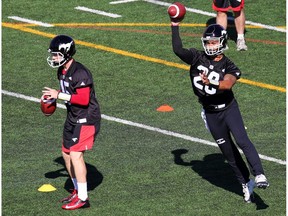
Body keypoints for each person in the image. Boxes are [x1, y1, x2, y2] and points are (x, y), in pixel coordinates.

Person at [170, 20, 269, 203]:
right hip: (210, 113)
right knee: (229, 153)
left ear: (222, 42)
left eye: (214, 42)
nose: (210, 45)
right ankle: (245, 182)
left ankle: (260, 174)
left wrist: (212, 82)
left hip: (229, 109)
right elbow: (178, 49)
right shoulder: (196, 58)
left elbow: (227, 84)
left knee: (242, 140)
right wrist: (174, 23)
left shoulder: (229, 66)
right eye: (208, 42)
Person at [42, 35, 101, 210]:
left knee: (75, 154)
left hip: (87, 118)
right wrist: (51, 98)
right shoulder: (62, 70)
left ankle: (83, 198)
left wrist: (58, 95)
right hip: (73, 117)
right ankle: (77, 190)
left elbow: (82, 100)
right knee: (66, 153)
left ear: (66, 53)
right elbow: (67, 90)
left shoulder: (80, 72)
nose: (54, 58)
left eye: (56, 55)